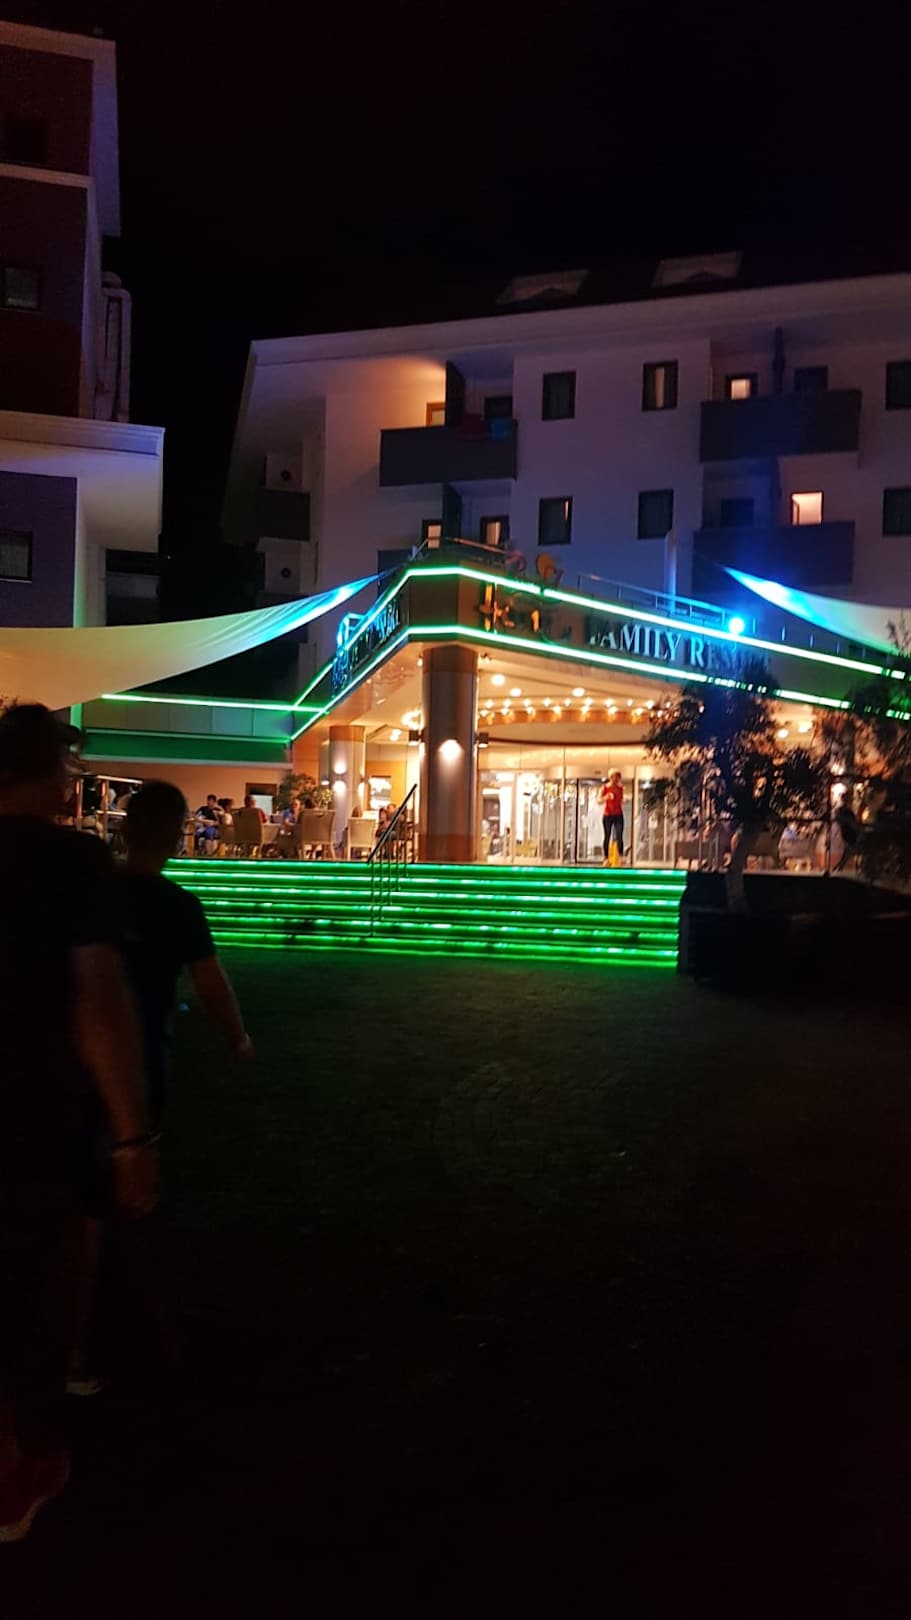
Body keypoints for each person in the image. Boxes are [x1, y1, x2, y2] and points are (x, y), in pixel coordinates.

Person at [0, 705, 154, 1542]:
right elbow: (99, 997)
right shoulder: (71, 861)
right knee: (30, 1283)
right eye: (69, 764)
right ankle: (12, 1472)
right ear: (51, 770)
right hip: (34, 1109)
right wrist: (132, 1134)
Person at [599, 770, 625, 865]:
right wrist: (606, 797)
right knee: (607, 836)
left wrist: (622, 801)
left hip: (618, 814)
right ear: (611, 777)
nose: (617, 779)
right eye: (615, 776)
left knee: (619, 835)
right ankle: (606, 858)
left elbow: (621, 800)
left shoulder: (620, 788)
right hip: (608, 815)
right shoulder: (605, 787)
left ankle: (620, 856)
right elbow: (599, 800)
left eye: (618, 777)